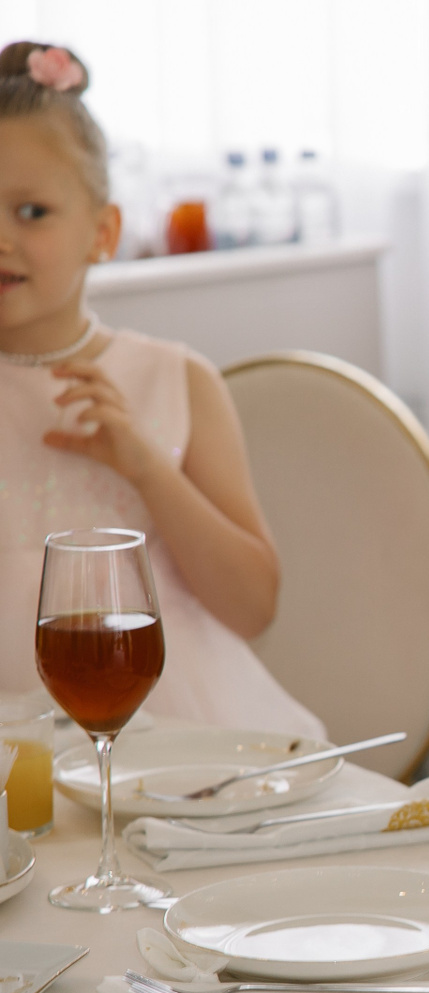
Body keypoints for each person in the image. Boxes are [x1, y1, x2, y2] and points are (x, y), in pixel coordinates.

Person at [0, 42, 322, 739]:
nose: (1, 236)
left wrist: (149, 467)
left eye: (31, 212)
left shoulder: (178, 381)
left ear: (103, 232)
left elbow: (252, 607)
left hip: (172, 736)